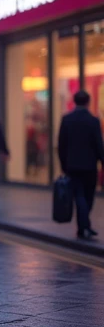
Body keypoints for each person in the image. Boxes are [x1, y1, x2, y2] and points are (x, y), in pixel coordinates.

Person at [57, 90, 104, 240]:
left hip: (72, 165)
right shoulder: (93, 121)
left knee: (79, 196)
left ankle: (83, 227)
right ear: (88, 102)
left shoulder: (67, 119)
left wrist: (63, 164)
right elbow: (98, 145)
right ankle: (85, 226)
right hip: (90, 166)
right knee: (88, 197)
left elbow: (61, 144)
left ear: (74, 101)